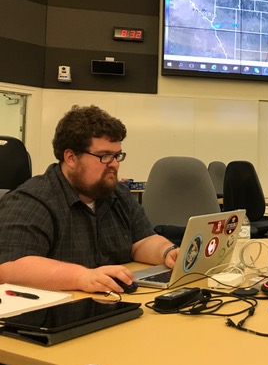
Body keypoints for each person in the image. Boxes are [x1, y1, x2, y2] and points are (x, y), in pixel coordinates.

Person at [0, 105, 180, 294]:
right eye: (104, 156)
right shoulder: (31, 201)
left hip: (115, 303)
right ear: (70, 157)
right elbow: (9, 267)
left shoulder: (118, 194)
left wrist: (167, 252)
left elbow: (141, 242)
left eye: (117, 155)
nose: (114, 164)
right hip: (58, 312)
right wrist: (81, 277)